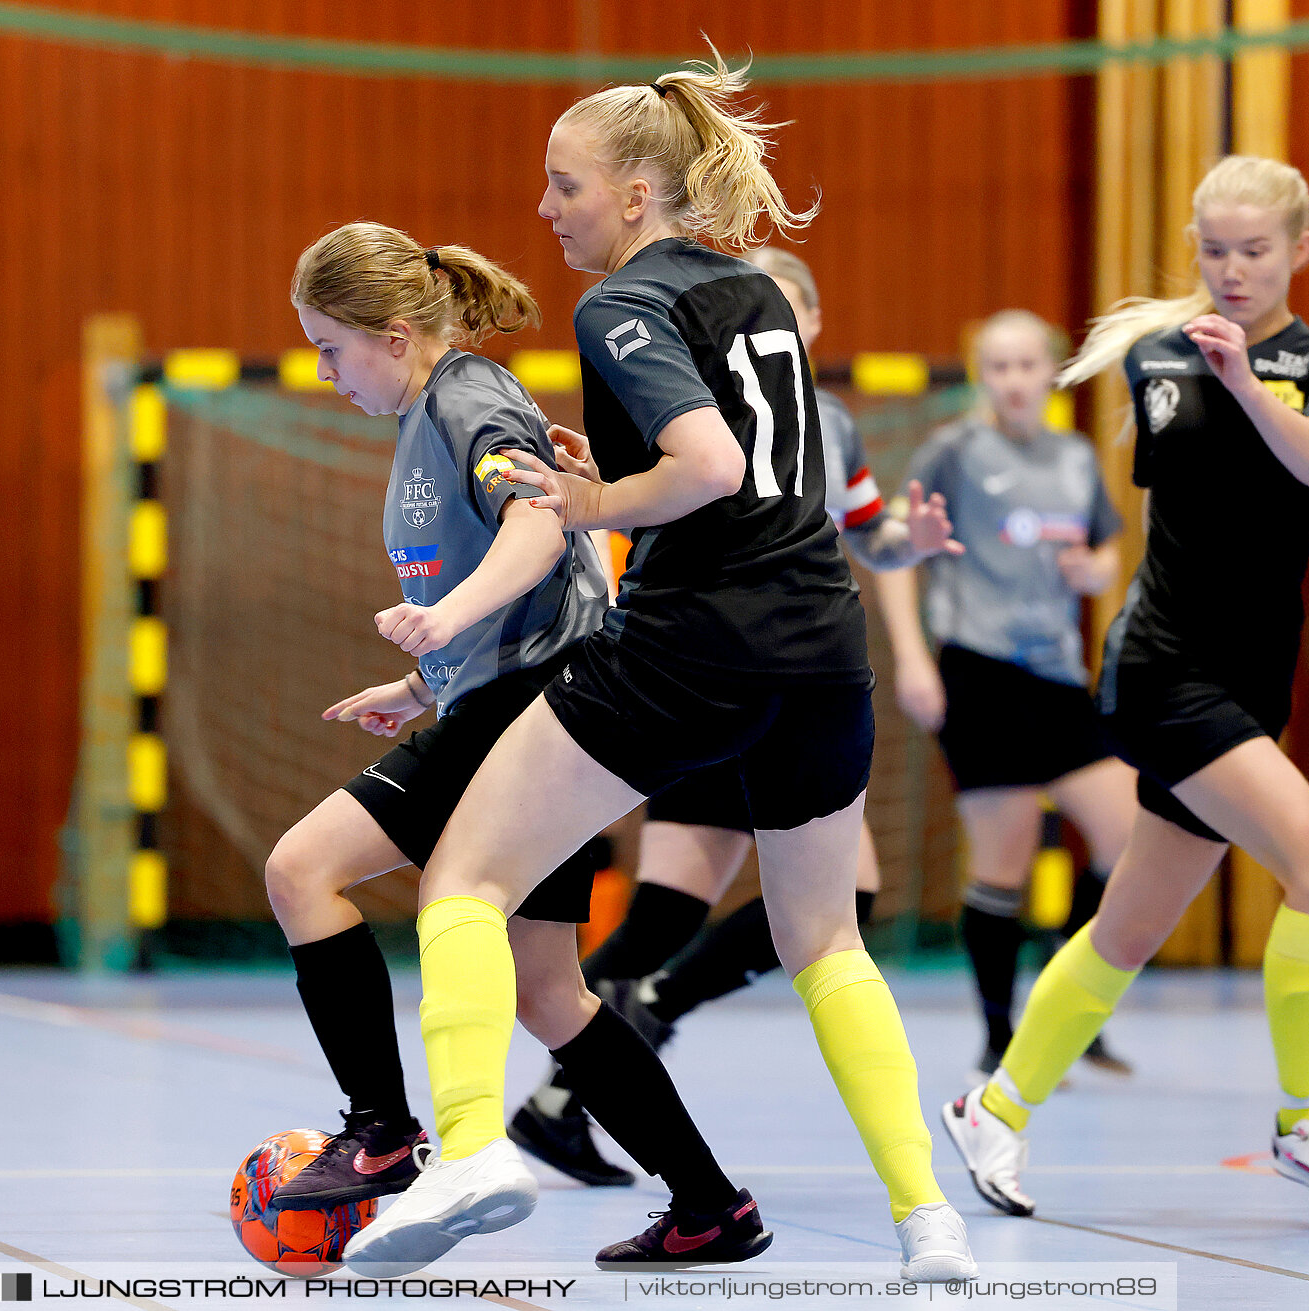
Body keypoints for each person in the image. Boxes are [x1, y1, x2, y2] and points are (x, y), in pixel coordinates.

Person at [344, 54, 978, 1282]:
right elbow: (737, 451)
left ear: (637, 195)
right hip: (821, 645)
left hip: (700, 638)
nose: (546, 208)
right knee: (826, 943)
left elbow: (708, 468)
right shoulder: (749, 286)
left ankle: (472, 1149)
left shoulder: (619, 302)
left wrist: (589, 501)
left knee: (463, 883)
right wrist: (616, 468)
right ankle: (927, 1221)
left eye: (563, 184)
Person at [264, 223, 763, 1258]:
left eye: (330, 347)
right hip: (513, 693)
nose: (323, 372)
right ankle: (711, 1205)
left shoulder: (468, 399)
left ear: (395, 336)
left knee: (302, 870)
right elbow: (504, 578)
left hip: (536, 706)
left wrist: (442, 631)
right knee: (548, 992)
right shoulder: (427, 413)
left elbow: (541, 530)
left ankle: (382, 1136)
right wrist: (420, 679)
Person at [941, 155, 1309, 1217]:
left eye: (1255, 251)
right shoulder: (1162, 358)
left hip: (1251, 678)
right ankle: (1303, 1122)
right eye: (1215, 251)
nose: (1232, 271)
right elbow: (1218, 486)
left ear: (1300, 250)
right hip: (1167, 672)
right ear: (1194, 249)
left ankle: (995, 1109)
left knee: (1128, 931)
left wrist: (1253, 380)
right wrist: (1231, 377)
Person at [509, 245, 915, 1188]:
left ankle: (565, 1093)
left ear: (808, 324)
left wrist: (909, 543)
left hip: (782, 666)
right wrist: (595, 493)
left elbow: (867, 527)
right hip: (703, 658)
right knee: (700, 911)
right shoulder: (673, 389)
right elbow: (666, 486)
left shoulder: (833, 425)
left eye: (799, 308)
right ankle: (602, 1053)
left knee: (767, 906)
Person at [870, 309, 1138, 1083]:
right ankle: (999, 1035)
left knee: (1128, 840)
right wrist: (916, 659)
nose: (1015, 380)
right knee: (1005, 862)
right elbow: (892, 548)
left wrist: (1098, 568)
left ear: (1050, 371)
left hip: (1056, 674)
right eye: (999, 367)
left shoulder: (1076, 457)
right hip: (978, 672)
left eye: (1027, 365)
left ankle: (1070, 998)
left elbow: (1105, 543)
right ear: (982, 376)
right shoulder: (954, 451)